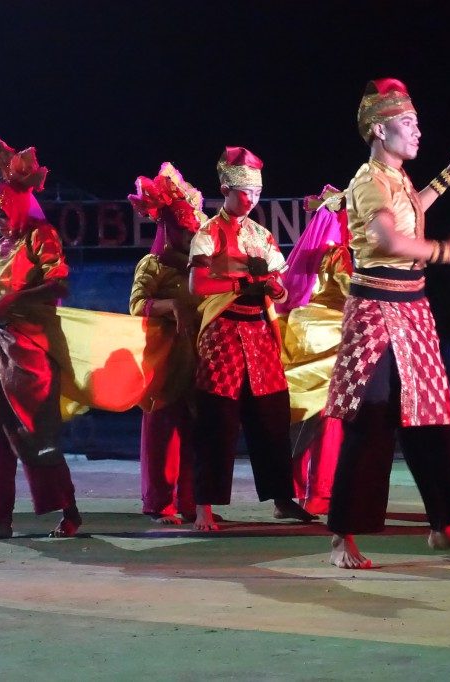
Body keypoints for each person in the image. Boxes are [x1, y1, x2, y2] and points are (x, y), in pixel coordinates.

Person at [325, 78, 450, 569]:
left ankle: (444, 524)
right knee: (371, 423)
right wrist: (445, 250)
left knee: (430, 419)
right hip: (376, 310)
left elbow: (410, 214)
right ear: (379, 128)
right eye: (408, 123)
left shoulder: (397, 180)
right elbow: (390, 239)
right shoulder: (368, 180)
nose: (418, 131)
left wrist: (448, 177)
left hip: (412, 309)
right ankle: (343, 537)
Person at [187, 146, 314, 531]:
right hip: (224, 333)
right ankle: (204, 508)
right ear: (225, 188)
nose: (253, 199)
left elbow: (282, 286)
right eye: (246, 193)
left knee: (272, 417)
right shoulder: (208, 233)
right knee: (218, 421)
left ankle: (281, 498)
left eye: (258, 193)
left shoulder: (262, 234)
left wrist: (274, 290)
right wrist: (245, 281)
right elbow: (197, 284)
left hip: (259, 334)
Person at [0, 131, 82, 541]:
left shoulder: (40, 236)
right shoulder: (0, 247)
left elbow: (59, 284)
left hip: (31, 345)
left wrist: (11, 300)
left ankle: (68, 510)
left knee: (35, 429)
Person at [128, 163, 207, 523]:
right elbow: (135, 305)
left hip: (197, 356)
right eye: (183, 229)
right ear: (167, 227)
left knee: (195, 430)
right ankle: (160, 502)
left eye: (192, 230)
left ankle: (192, 502)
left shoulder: (199, 266)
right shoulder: (152, 265)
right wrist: (170, 305)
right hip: (162, 359)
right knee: (161, 431)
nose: (189, 236)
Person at [276, 186, 351, 516]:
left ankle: (286, 491)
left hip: (300, 331)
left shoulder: (313, 253)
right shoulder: (342, 255)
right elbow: (356, 295)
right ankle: (320, 492)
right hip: (330, 337)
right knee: (328, 417)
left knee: (299, 415)